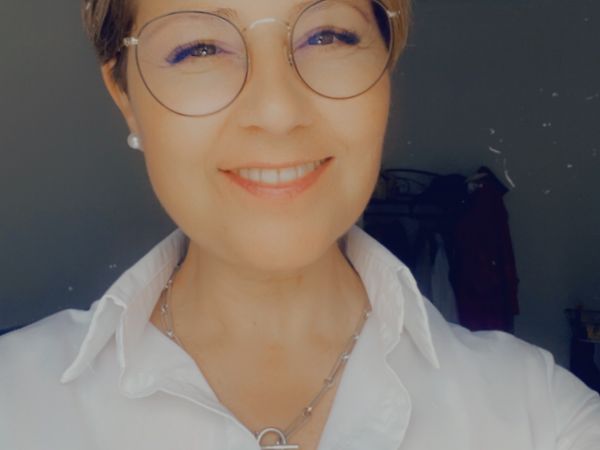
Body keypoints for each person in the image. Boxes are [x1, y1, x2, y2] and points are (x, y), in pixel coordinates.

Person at [0, 0, 599, 448]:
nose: (278, 111)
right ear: (125, 95)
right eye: (200, 49)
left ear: (387, 63)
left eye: (328, 35)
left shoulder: (540, 419)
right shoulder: (15, 405)